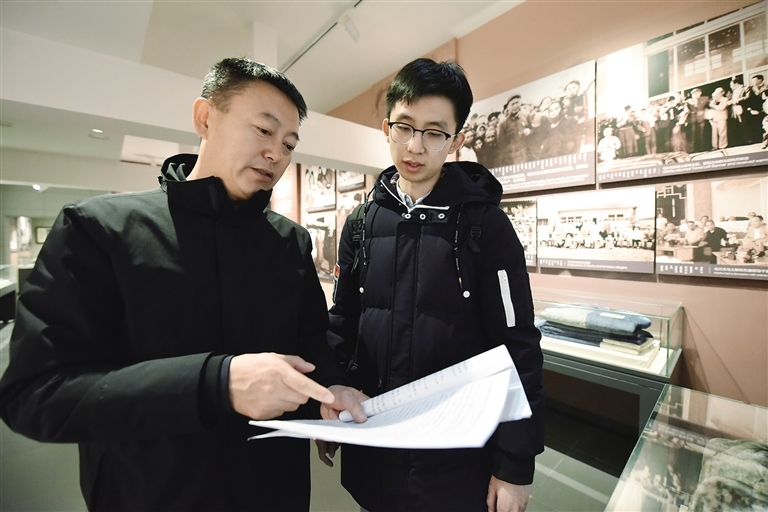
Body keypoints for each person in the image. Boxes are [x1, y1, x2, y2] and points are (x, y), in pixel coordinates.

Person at [0, 57, 366, 511]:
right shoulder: (100, 230)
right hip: (150, 493)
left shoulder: (289, 242)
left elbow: (311, 343)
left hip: (274, 490)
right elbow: (37, 395)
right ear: (205, 117)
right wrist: (217, 383)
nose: (277, 153)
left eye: (289, 144)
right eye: (263, 130)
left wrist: (332, 388)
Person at [326, 58, 545, 512]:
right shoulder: (361, 223)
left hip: (454, 459)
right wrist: (331, 400)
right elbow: (343, 324)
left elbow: (518, 346)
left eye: (434, 133)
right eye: (404, 127)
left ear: (456, 141)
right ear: (387, 129)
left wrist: (514, 464)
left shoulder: (486, 226)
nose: (415, 146)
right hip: (374, 445)